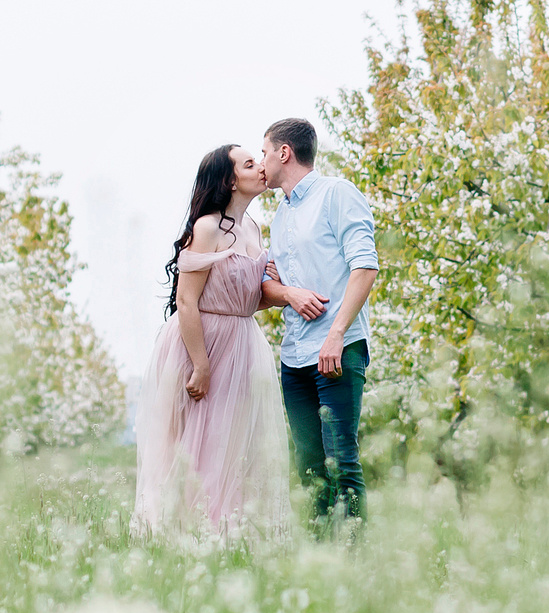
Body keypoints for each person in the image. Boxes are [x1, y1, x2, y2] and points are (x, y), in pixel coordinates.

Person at [133, 143, 326, 534]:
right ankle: (187, 530)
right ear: (229, 179)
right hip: (202, 342)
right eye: (249, 164)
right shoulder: (206, 227)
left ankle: (229, 531)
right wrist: (201, 364)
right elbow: (186, 301)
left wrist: (287, 293)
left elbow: (250, 299)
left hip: (243, 343)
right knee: (200, 442)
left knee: (236, 443)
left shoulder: (254, 229)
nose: (261, 168)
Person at [262, 116, 378, 532]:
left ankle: (357, 560)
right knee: (309, 469)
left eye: (263, 152)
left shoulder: (337, 194)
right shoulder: (278, 218)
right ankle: (320, 565)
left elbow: (365, 266)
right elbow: (271, 286)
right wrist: (287, 292)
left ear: (284, 152)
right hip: (294, 357)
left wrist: (336, 333)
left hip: (337, 350)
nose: (261, 161)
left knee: (341, 461)